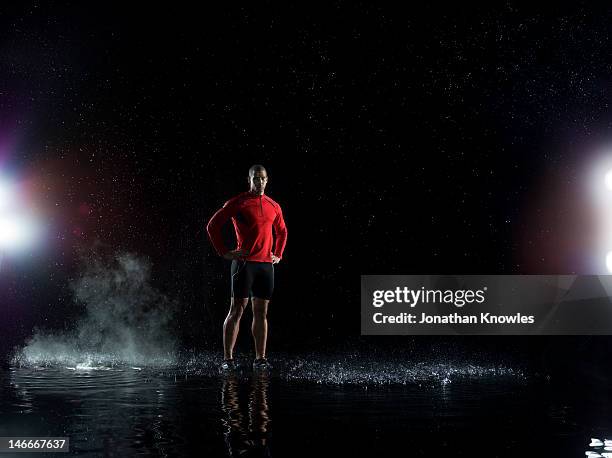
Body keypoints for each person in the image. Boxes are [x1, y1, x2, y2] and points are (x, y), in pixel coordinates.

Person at [207, 164, 287, 372]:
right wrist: (224, 251)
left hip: (265, 266)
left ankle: (260, 359)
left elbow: (282, 231)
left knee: (261, 313)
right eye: (255, 178)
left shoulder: (273, 205)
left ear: (267, 180)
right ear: (249, 179)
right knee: (237, 310)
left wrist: (278, 253)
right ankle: (228, 359)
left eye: (262, 178)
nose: (259, 182)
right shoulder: (238, 202)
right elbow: (212, 226)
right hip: (244, 265)